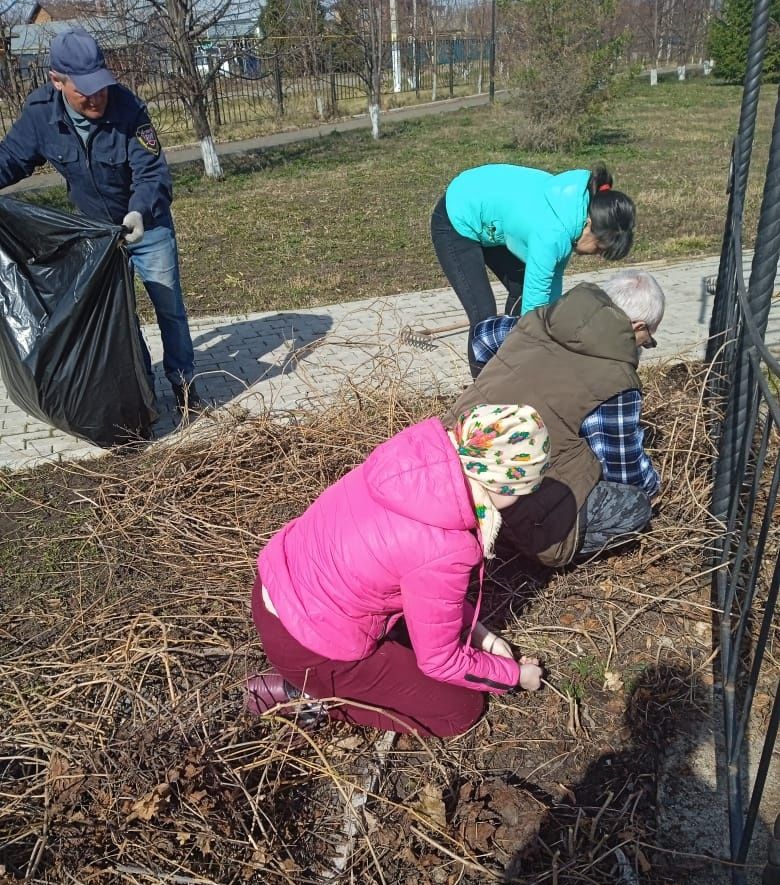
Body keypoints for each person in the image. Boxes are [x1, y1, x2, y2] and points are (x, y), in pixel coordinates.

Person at [247, 404, 552, 738]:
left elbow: (419, 585)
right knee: (459, 710)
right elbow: (440, 660)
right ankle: (304, 697)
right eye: (527, 489)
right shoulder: (446, 546)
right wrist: (514, 675)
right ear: (503, 484)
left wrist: (482, 636)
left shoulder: (412, 463)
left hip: (276, 590)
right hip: (310, 648)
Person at [0, 27, 201, 413]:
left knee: (169, 308)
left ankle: (184, 384)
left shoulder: (128, 109)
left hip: (147, 226)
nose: (98, 97)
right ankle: (142, 390)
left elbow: (152, 173)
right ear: (57, 82)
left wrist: (138, 211)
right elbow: (11, 158)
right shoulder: (41, 115)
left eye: (102, 85)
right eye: (85, 90)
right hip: (99, 237)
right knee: (120, 316)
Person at [443, 271, 665, 569]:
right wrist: (654, 488)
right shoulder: (617, 381)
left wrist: (500, 386)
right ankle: (517, 541)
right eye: (646, 340)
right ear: (637, 327)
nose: (641, 347)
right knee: (635, 507)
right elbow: (622, 471)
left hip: (449, 453)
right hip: (511, 499)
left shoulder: (541, 319)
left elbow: (483, 334)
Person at [430, 162, 636, 376]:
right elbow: (533, 313)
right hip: (457, 215)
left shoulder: (572, 214)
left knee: (520, 289)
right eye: (600, 249)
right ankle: (484, 393)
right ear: (590, 224)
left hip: (490, 219)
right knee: (484, 316)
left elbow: (550, 286)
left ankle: (507, 366)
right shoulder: (552, 233)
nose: (597, 256)